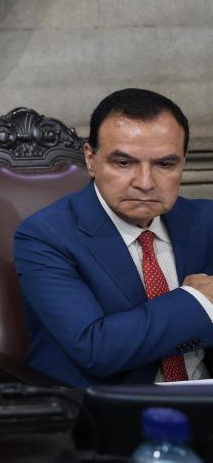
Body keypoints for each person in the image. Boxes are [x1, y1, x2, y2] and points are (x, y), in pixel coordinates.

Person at [15, 88, 213, 386]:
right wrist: (198, 300)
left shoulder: (206, 220)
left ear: (183, 161)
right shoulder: (45, 236)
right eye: (123, 163)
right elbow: (96, 348)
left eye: (165, 164)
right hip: (110, 412)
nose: (145, 183)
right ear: (91, 159)